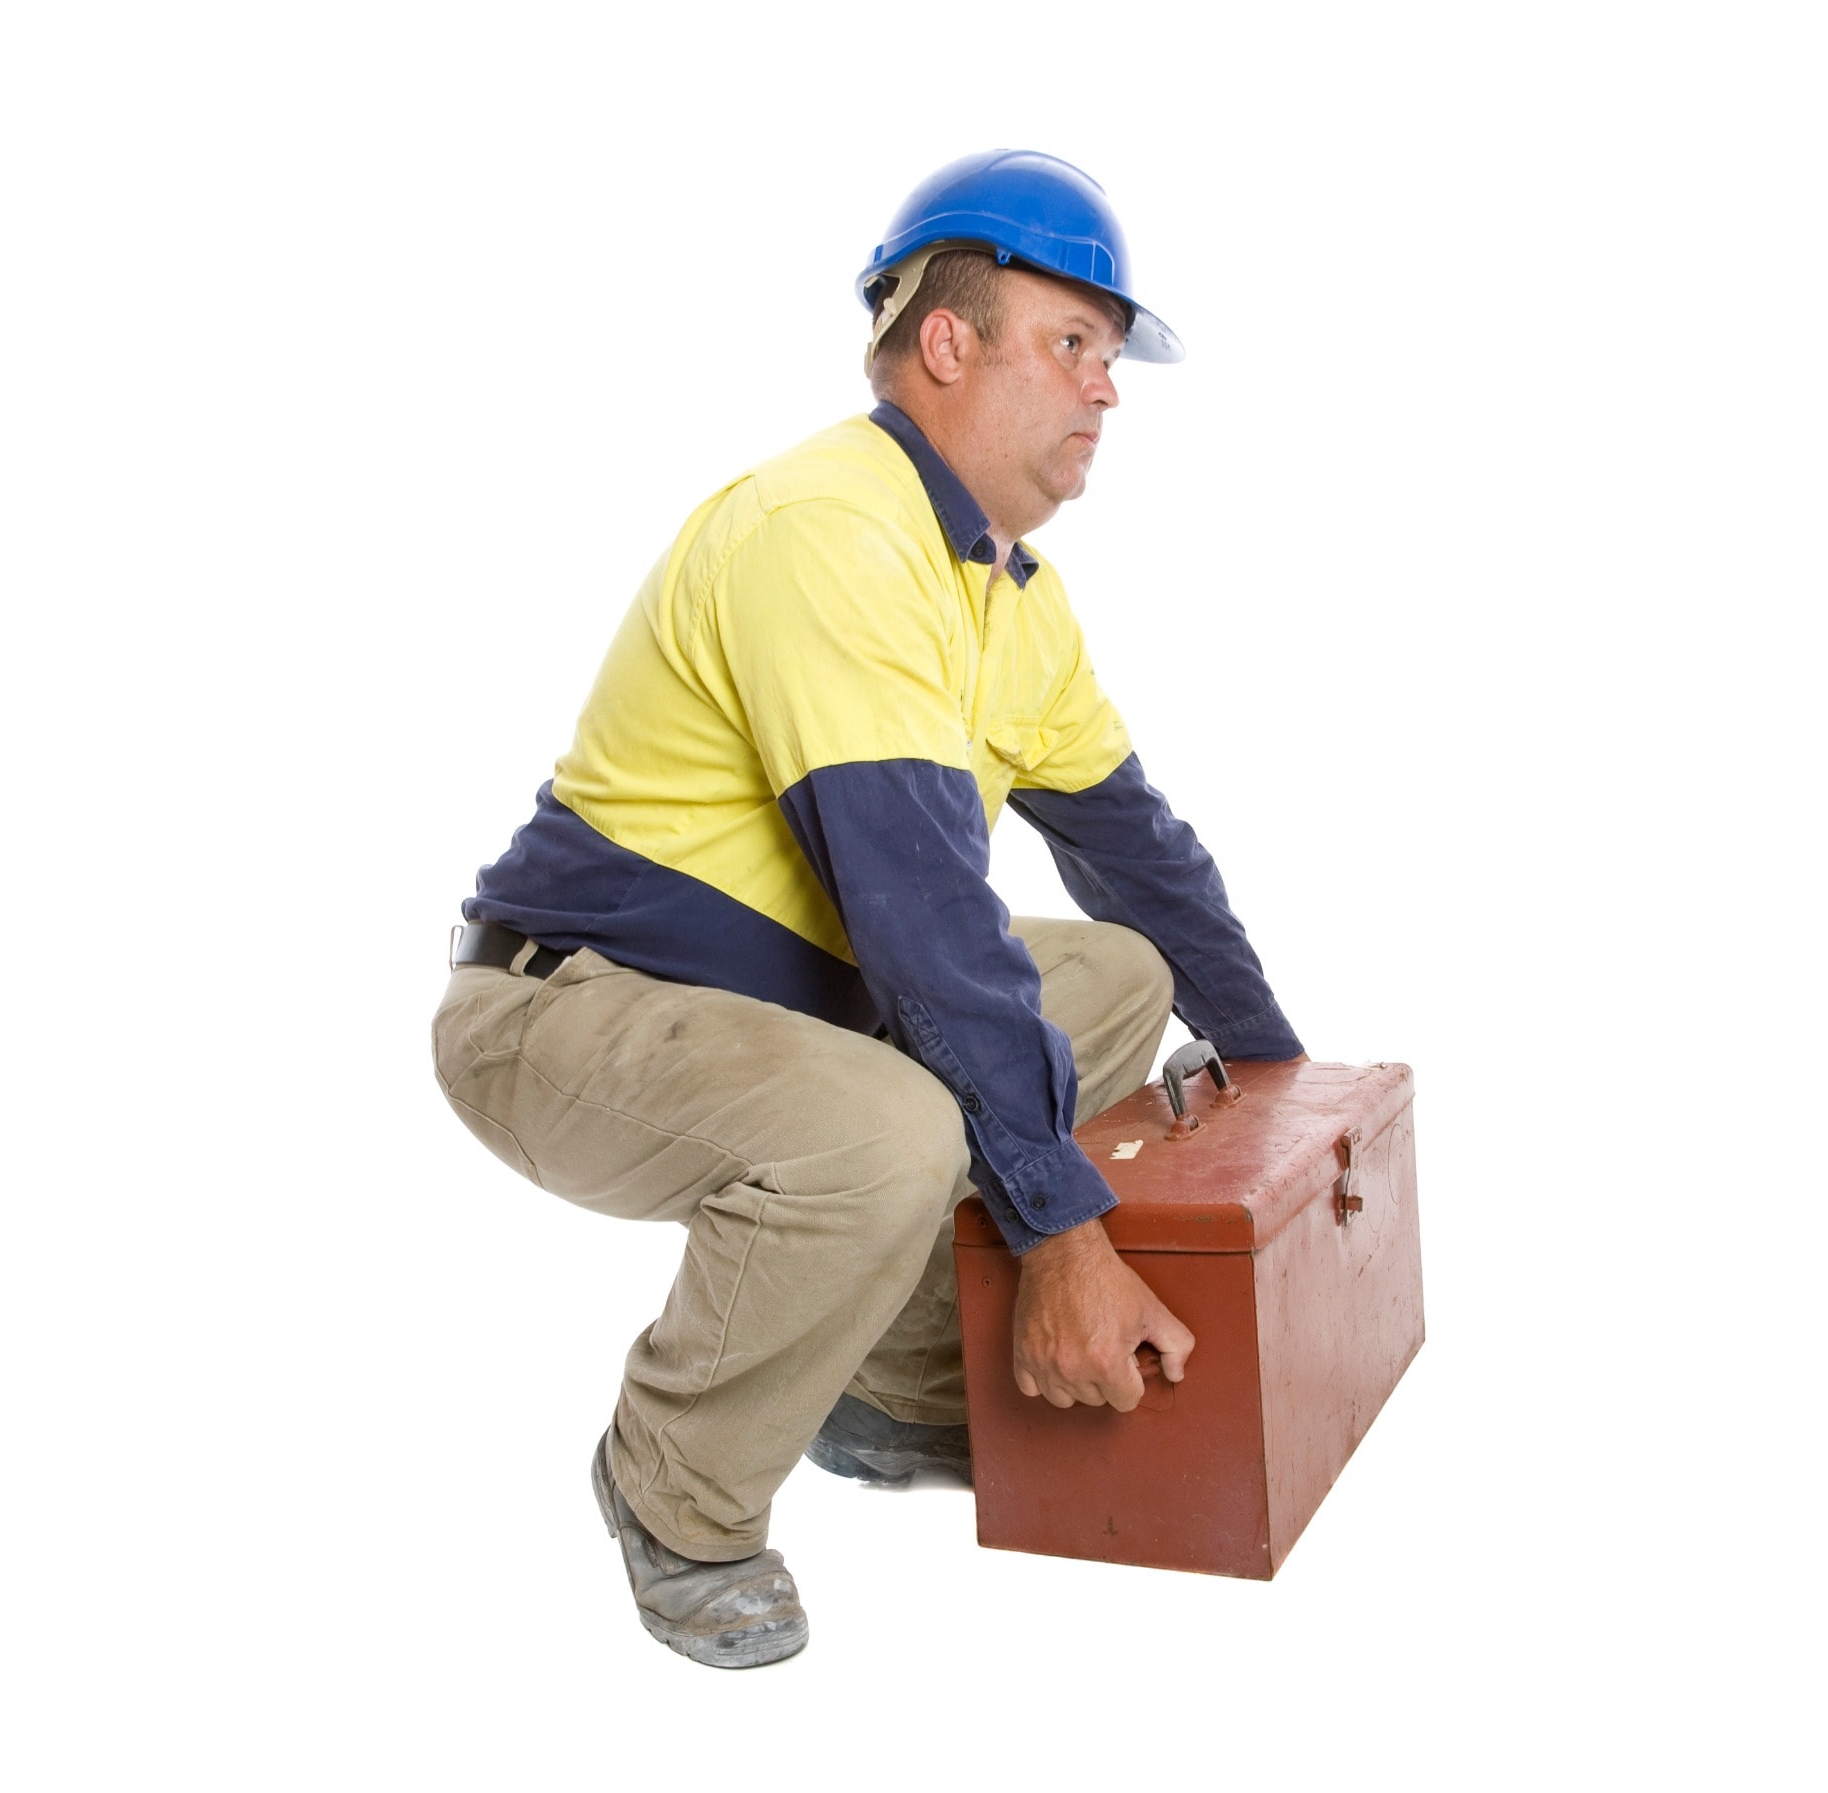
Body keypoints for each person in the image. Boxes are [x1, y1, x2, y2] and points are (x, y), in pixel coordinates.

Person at [431, 149, 1302, 1670]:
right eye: (1073, 345)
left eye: (1113, 355)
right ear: (948, 343)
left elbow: (1139, 854)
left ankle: (885, 1380)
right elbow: (924, 920)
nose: (1109, 390)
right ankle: (674, 1482)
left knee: (1119, 971)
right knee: (892, 1128)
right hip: (566, 1007)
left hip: (779, 1006)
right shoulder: (830, 529)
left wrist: (1285, 1080)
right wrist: (1064, 1237)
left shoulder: (1005, 588)